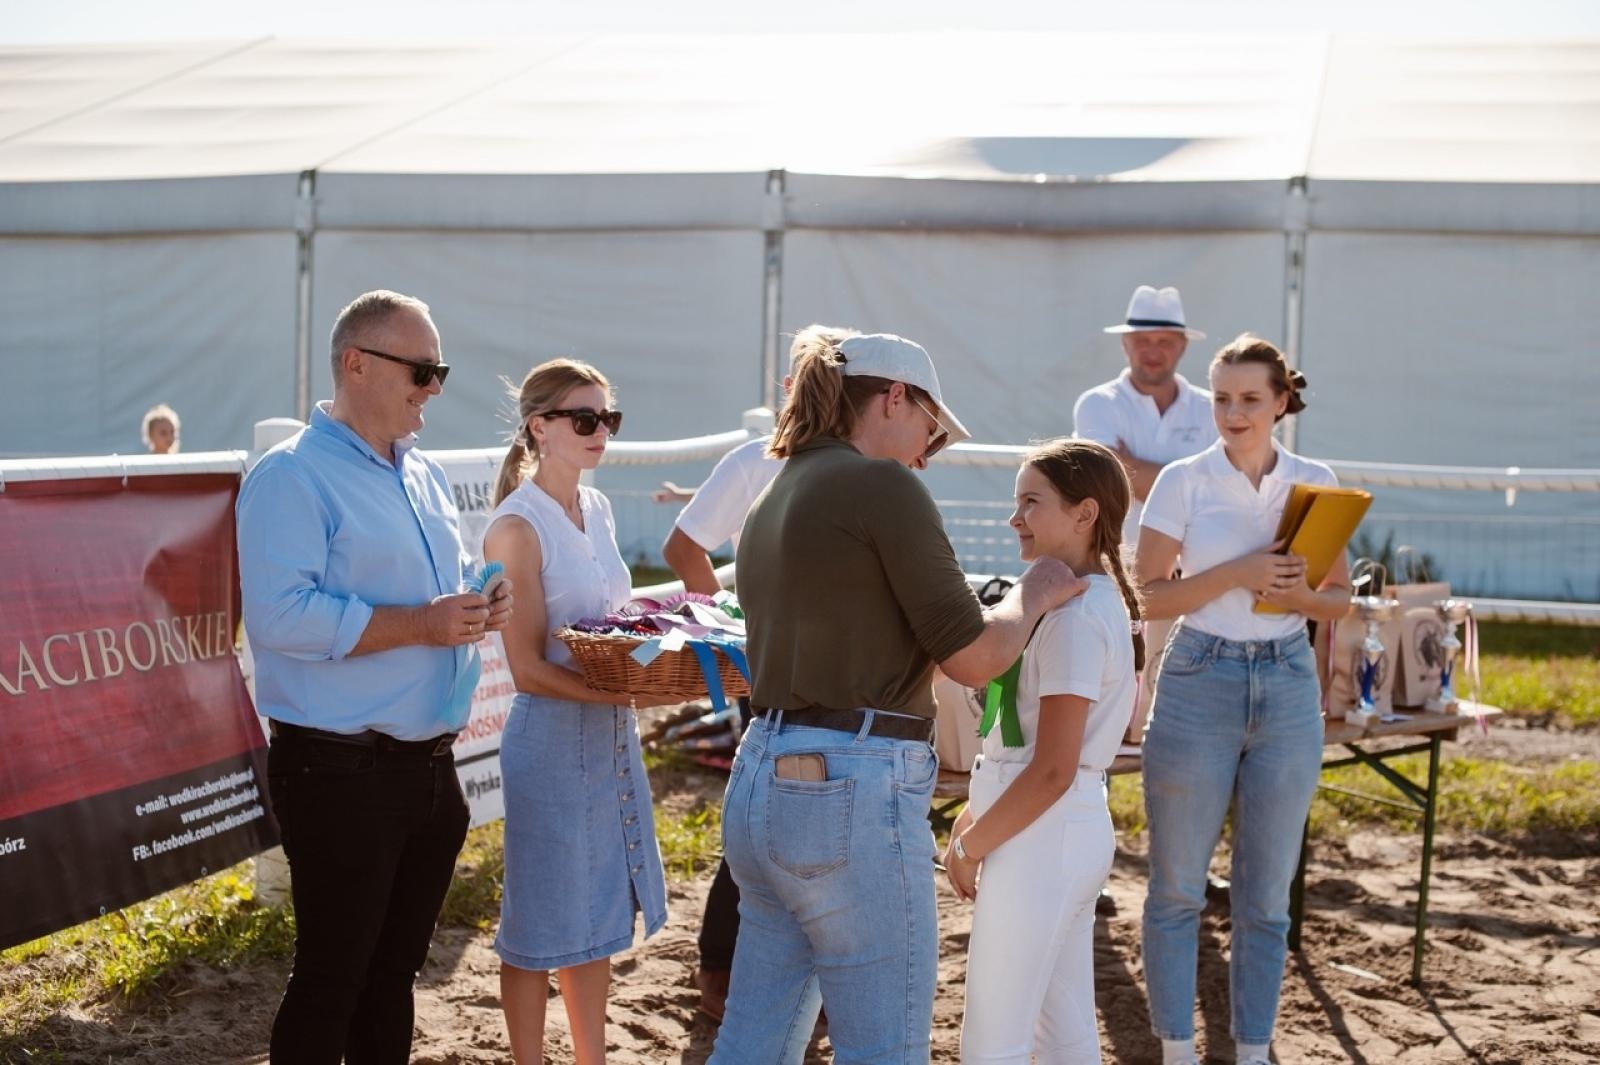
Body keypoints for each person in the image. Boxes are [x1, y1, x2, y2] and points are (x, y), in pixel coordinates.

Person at [708, 329, 1087, 1065]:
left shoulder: (776, 491)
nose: (924, 454)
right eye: (930, 431)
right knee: (884, 1048)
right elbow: (976, 659)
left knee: (752, 1044)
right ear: (893, 397)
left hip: (761, 773)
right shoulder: (880, 486)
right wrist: (1032, 594)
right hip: (852, 785)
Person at [238, 289, 513, 1064]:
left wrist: (481, 596)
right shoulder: (290, 474)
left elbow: (441, 581)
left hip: (426, 768)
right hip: (339, 767)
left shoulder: (417, 473)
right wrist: (424, 622)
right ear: (356, 364)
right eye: (422, 370)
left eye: (440, 371)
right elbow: (280, 617)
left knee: (392, 977)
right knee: (333, 979)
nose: (433, 389)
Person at [1135, 334, 1352, 1065]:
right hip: (1200, 676)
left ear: (1281, 402)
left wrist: (1298, 593)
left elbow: (1341, 602)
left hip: (1288, 684)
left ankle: (1253, 1050)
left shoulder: (1317, 481)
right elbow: (1150, 591)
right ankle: (1176, 1049)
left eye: (1250, 398)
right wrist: (1240, 570)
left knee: (1266, 898)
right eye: (1222, 397)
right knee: (1176, 889)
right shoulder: (1182, 480)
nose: (1232, 411)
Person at [483, 358, 674, 1065]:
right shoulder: (516, 526)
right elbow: (528, 668)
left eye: (608, 419)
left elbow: (608, 624)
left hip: (610, 732)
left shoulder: (596, 507)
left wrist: (654, 651)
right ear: (540, 426)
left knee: (595, 915)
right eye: (585, 418)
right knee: (536, 925)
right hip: (552, 740)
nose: (601, 432)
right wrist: (626, 692)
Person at [945, 438, 1142, 1065]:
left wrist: (971, 845)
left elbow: (1055, 769)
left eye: (1032, 502)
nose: (1015, 518)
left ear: (1085, 514)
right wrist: (977, 814)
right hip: (1050, 829)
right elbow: (1029, 748)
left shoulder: (1077, 617)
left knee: (992, 1044)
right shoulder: (1073, 604)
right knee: (1061, 1035)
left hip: (1044, 835)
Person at [658, 334, 826, 1023]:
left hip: (840, 670)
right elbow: (682, 543)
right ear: (791, 385)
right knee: (763, 818)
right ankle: (721, 966)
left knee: (800, 823)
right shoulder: (758, 460)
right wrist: (732, 625)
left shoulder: (858, 463)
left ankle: (772, 975)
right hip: (779, 668)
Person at [1074, 284, 1217, 745]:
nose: (1153, 351)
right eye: (1143, 340)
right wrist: (1188, 482)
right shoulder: (1097, 402)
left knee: (1184, 693)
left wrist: (1132, 466)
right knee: (1115, 689)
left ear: (1181, 346)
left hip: (1196, 572)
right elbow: (1110, 478)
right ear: (1125, 345)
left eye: (1164, 341)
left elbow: (1126, 475)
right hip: (1116, 568)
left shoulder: (1212, 405)